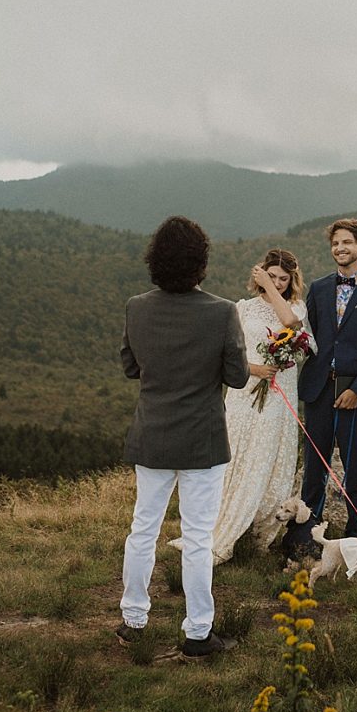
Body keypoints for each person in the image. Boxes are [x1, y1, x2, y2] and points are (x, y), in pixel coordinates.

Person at [116, 216, 249, 657]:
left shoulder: (137, 307)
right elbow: (236, 375)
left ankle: (133, 620)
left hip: (152, 435)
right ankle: (197, 634)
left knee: (142, 530)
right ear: (200, 262)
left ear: (155, 261)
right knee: (197, 539)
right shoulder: (222, 311)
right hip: (202, 441)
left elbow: (131, 367)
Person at [177, 250, 315, 561]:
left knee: (266, 456)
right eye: (272, 276)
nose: (277, 283)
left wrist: (268, 285)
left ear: (292, 281)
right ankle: (221, 527)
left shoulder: (295, 307)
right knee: (236, 455)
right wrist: (254, 369)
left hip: (279, 394)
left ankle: (256, 532)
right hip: (245, 390)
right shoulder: (243, 309)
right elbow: (225, 351)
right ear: (259, 276)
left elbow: (291, 324)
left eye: (283, 279)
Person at [283, 218, 357, 557]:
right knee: (315, 465)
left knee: (354, 465)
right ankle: (306, 532)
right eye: (335, 243)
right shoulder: (318, 289)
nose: (340, 248)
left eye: (347, 242)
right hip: (319, 390)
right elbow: (312, 339)